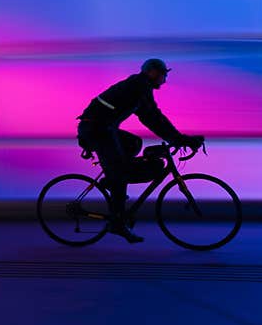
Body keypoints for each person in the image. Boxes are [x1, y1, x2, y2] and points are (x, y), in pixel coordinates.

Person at [76, 59, 204, 243]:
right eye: (163, 75)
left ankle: (111, 178)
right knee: (120, 174)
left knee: (134, 143)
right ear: (152, 72)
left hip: (103, 128)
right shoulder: (138, 87)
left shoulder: (139, 86)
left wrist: (177, 138)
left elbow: (152, 117)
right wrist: (179, 139)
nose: (164, 80)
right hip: (96, 130)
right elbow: (152, 117)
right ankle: (117, 223)